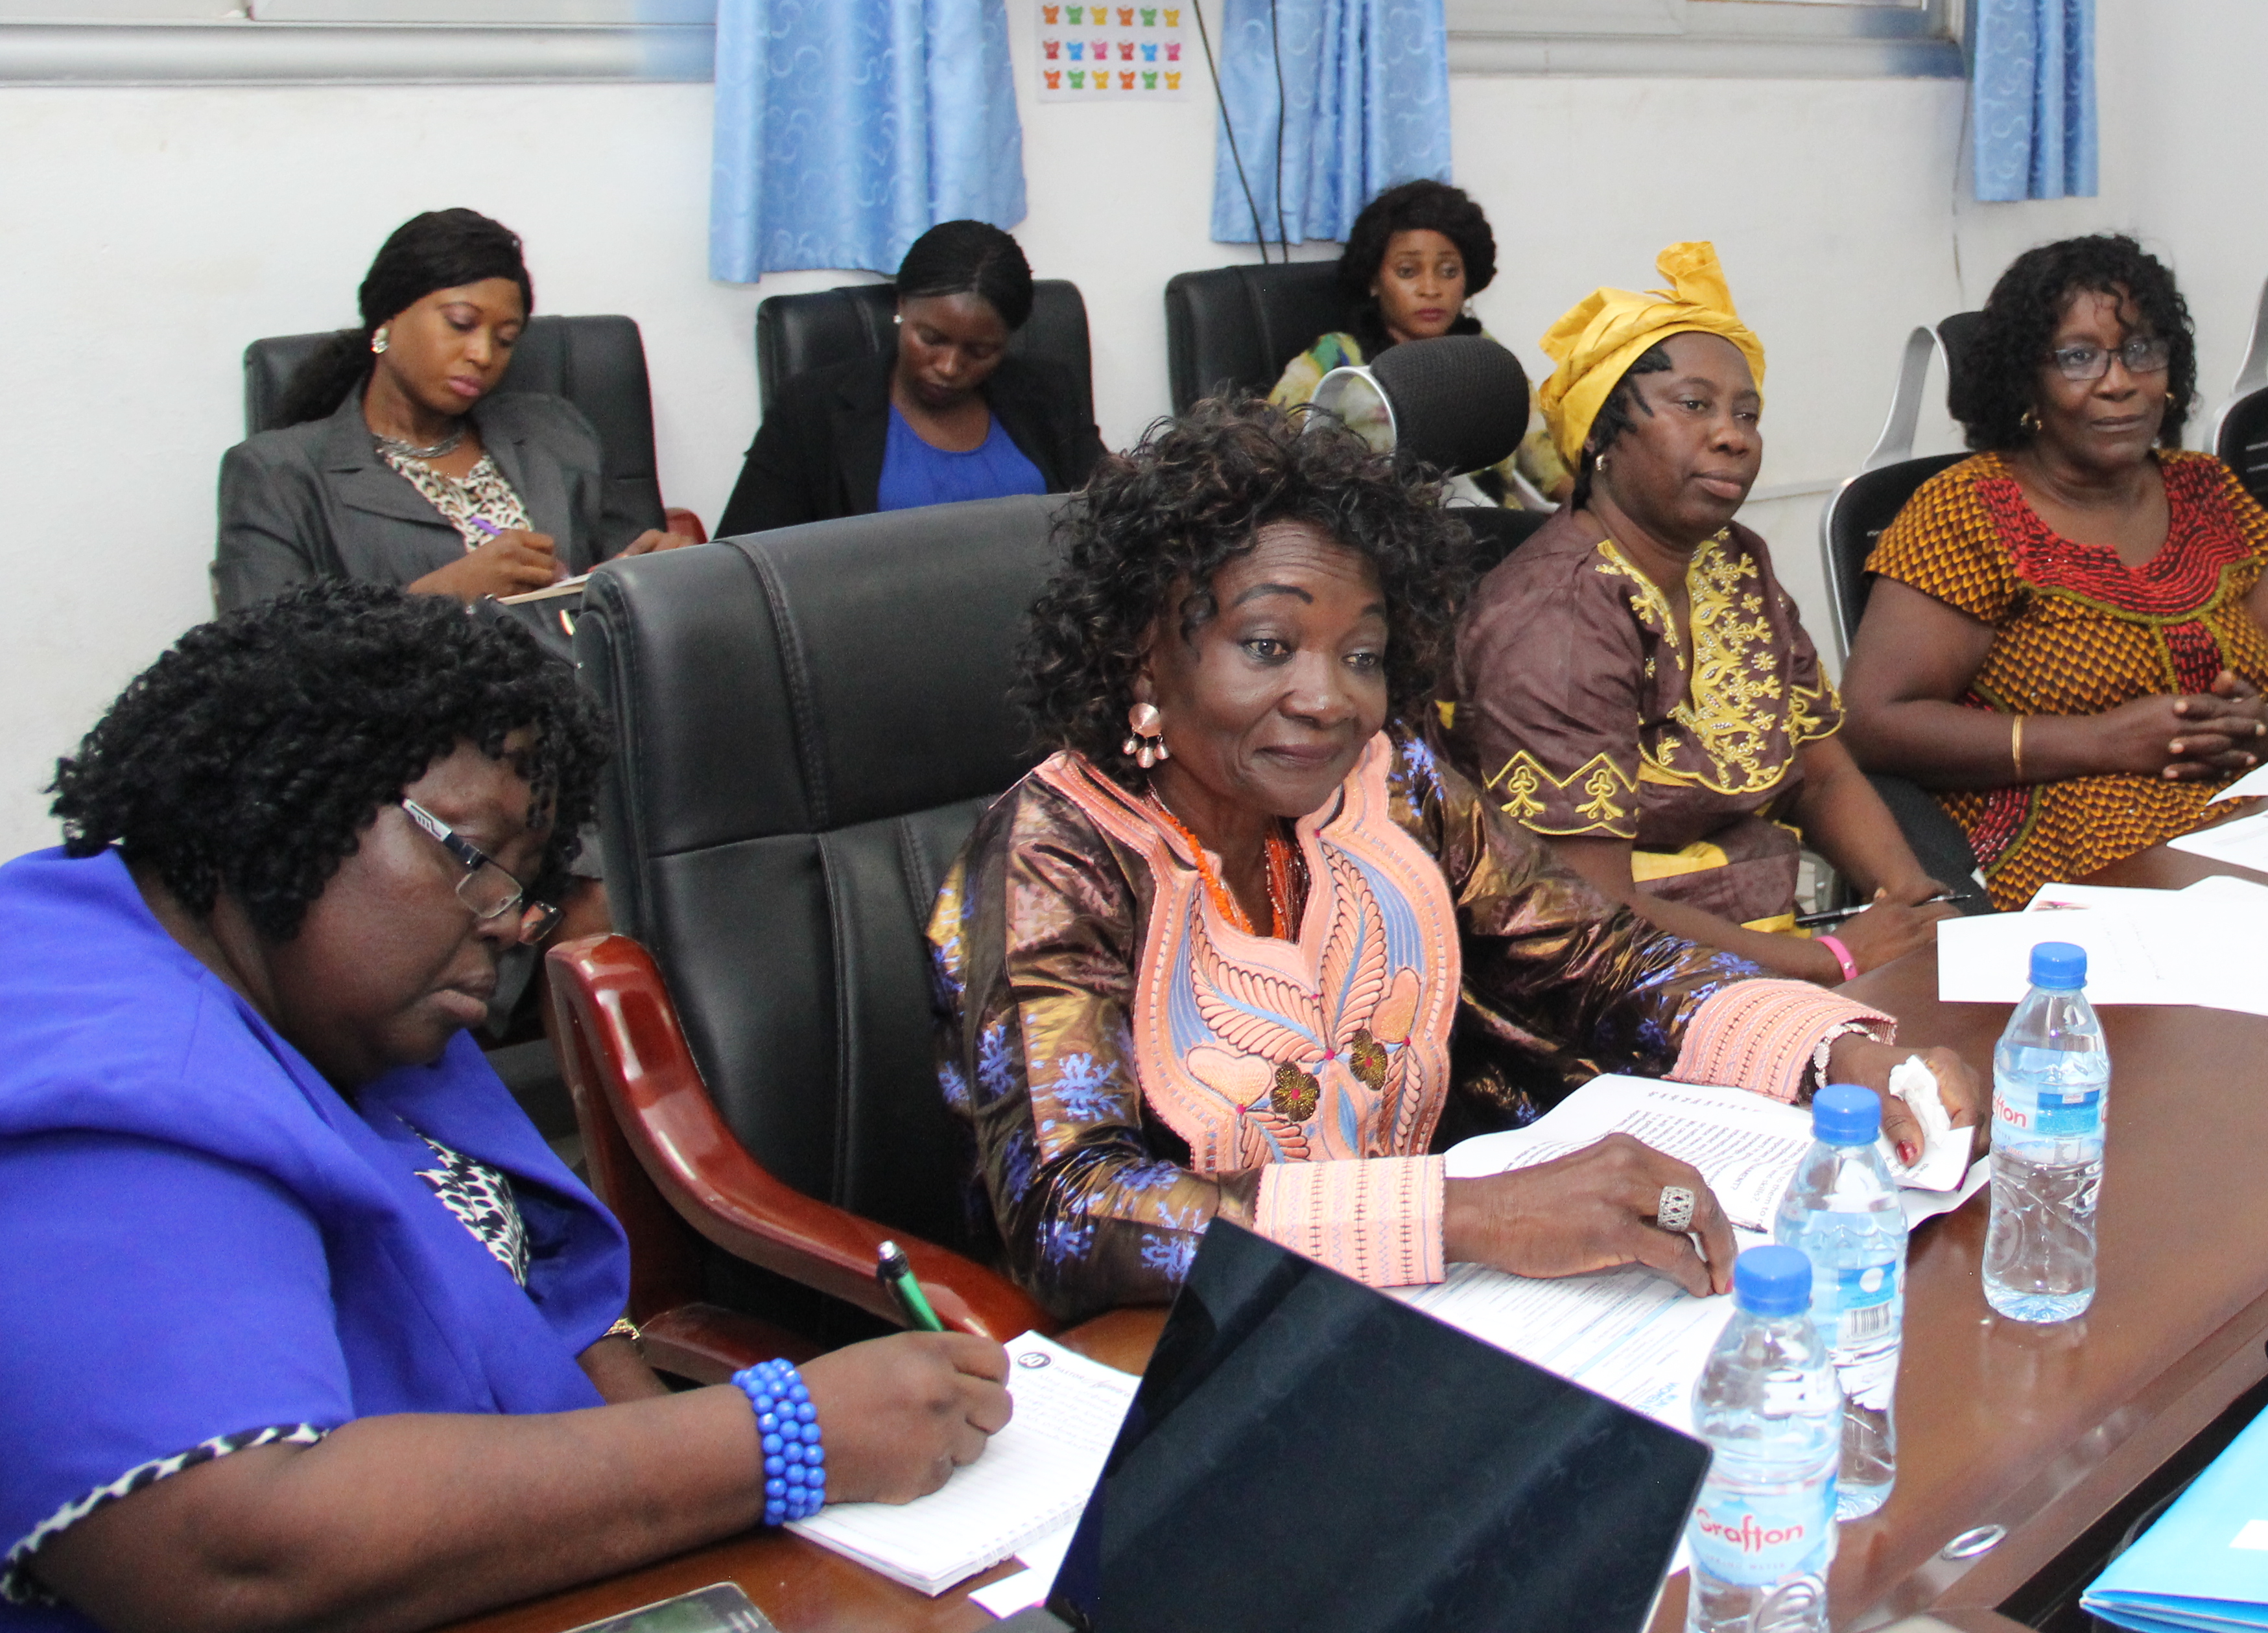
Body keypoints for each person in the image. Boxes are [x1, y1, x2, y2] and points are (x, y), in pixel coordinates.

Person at [1, 586, 1010, 1633]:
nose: (511, 924)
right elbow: (232, 1547)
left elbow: (557, 1308)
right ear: (285, 786)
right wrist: (781, 1440)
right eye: (477, 860)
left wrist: (741, 1578)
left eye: (524, 887)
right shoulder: (90, 1064)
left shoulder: (351, 1008)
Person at [928, 399, 1984, 1318]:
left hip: (1423, 1312)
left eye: (1362, 655)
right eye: (1266, 646)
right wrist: (1470, 1216)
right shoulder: (1050, 855)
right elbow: (1070, 1210)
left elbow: (1604, 958)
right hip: (1173, 1352)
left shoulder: (1390, 784)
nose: (1327, 698)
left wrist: (1836, 1056)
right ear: (1140, 651)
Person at [1450, 242, 1955, 983]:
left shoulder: (1733, 562)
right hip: (1618, 981)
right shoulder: (1552, 620)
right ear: (1600, 436)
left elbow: (1822, 776)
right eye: (1694, 405)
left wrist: (1917, 909)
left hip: (1770, 945)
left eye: (1747, 413)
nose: (1734, 435)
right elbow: (1591, 905)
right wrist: (1837, 959)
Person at [1838, 235, 2268, 911]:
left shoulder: (2208, 491)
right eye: (2079, 358)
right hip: (2073, 845)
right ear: (2027, 383)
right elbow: (1872, 723)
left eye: (2142, 350)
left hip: (2260, 819)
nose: (2119, 381)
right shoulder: (1970, 511)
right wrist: (2102, 740)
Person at [216, 209, 689, 611]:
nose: (483, 355)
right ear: (387, 319)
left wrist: (649, 574)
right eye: (461, 324)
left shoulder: (556, 431)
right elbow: (262, 662)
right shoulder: (277, 474)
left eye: (505, 340)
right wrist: (443, 597)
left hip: (576, 700)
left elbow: (618, 573)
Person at [720, 220, 1108, 534]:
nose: (949, 367)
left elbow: (1110, 519)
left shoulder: (1048, 394)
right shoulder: (810, 409)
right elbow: (746, 557)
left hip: (1045, 623)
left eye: (980, 351)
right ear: (902, 305)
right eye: (932, 339)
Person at [1266, 177, 1570, 508]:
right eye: (1408, 271)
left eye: (1449, 271)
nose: (1431, 288)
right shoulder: (1335, 357)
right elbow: (1268, 454)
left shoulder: (1486, 359)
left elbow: (1550, 469)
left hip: (1497, 538)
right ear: (1374, 279)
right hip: (1386, 538)